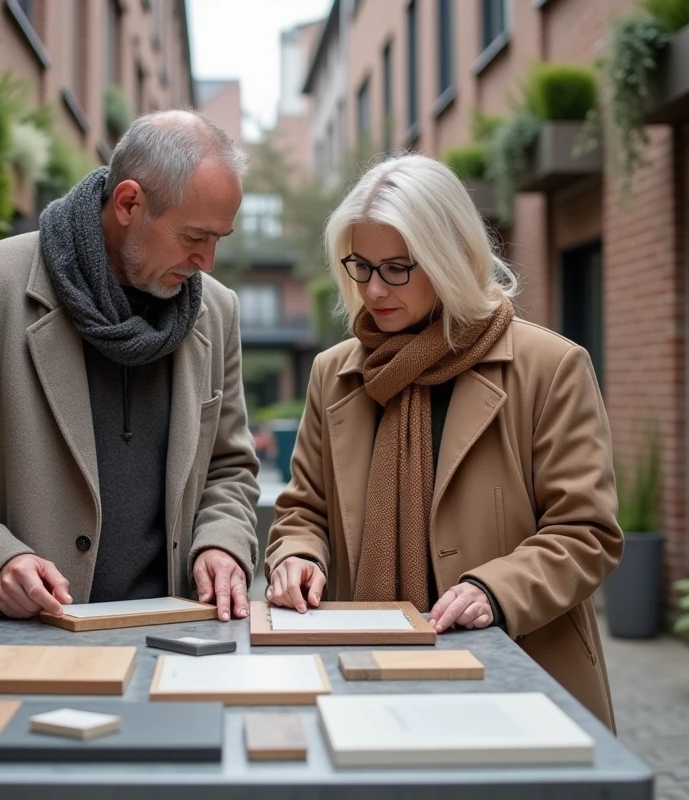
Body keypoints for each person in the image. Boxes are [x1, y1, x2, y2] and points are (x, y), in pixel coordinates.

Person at [0, 111, 261, 704]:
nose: (207, 262)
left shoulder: (218, 310)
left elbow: (231, 469)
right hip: (6, 655)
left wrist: (221, 541)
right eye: (194, 237)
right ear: (129, 203)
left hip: (176, 662)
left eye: (219, 239)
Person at [263, 154, 623, 731]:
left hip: (518, 674)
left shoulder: (550, 366)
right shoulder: (333, 373)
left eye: (397, 268)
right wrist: (298, 555)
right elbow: (306, 508)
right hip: (366, 675)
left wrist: (495, 589)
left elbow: (587, 531)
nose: (373, 289)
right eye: (359, 265)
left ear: (450, 256)